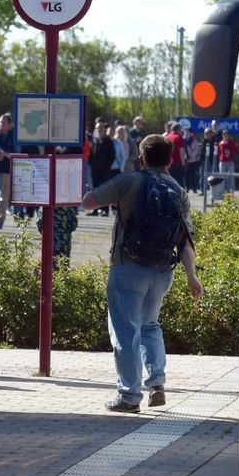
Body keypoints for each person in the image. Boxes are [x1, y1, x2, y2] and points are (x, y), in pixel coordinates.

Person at [81, 134, 204, 413]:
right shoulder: (178, 190)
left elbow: (89, 202)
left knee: (126, 331)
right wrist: (191, 276)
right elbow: (185, 241)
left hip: (128, 266)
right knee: (150, 326)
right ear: (171, 160)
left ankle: (129, 396)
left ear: (141, 158)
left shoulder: (130, 180)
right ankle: (157, 384)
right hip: (162, 272)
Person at [0, 113, 14, 234]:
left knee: (3, 197)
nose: (1, 125)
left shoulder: (14, 137)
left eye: (4, 122)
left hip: (6, 170)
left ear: (10, 124)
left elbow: (16, 154)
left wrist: (5, 154)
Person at [217, 130, 239, 198]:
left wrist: (232, 156)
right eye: (224, 134)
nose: (225, 136)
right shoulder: (220, 144)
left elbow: (235, 151)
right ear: (222, 135)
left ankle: (232, 193)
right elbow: (218, 153)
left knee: (231, 178)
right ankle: (223, 193)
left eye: (226, 134)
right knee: (222, 178)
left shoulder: (231, 143)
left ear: (228, 136)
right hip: (222, 162)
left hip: (230, 162)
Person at [165, 122, 188, 188]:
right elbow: (182, 152)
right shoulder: (179, 137)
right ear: (178, 129)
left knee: (169, 183)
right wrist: (183, 164)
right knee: (178, 183)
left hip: (168, 163)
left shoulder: (168, 137)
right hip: (177, 163)